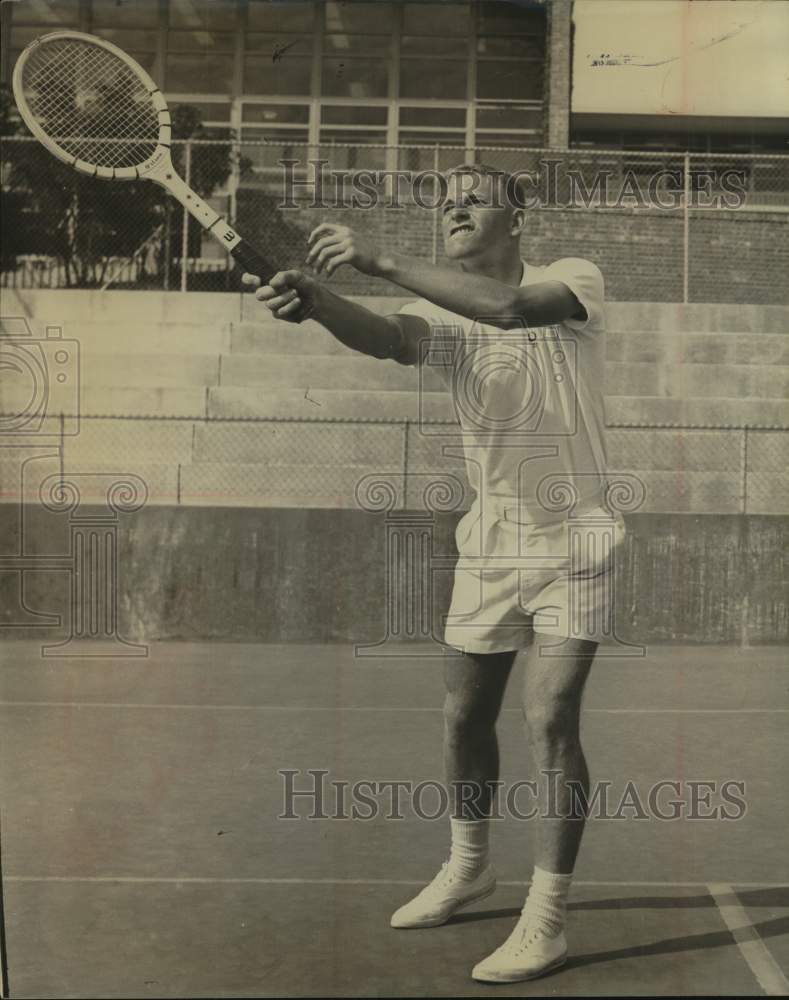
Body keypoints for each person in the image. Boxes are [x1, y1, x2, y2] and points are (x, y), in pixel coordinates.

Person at [243, 163, 624, 983]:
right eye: (446, 199)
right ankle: (467, 865)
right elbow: (388, 338)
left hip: (577, 536)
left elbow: (511, 309)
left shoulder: (570, 280)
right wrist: (315, 301)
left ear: (516, 218)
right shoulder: (439, 315)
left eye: (474, 197)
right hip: (489, 539)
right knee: (462, 720)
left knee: (549, 719)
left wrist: (373, 262)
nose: (454, 205)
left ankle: (546, 920)